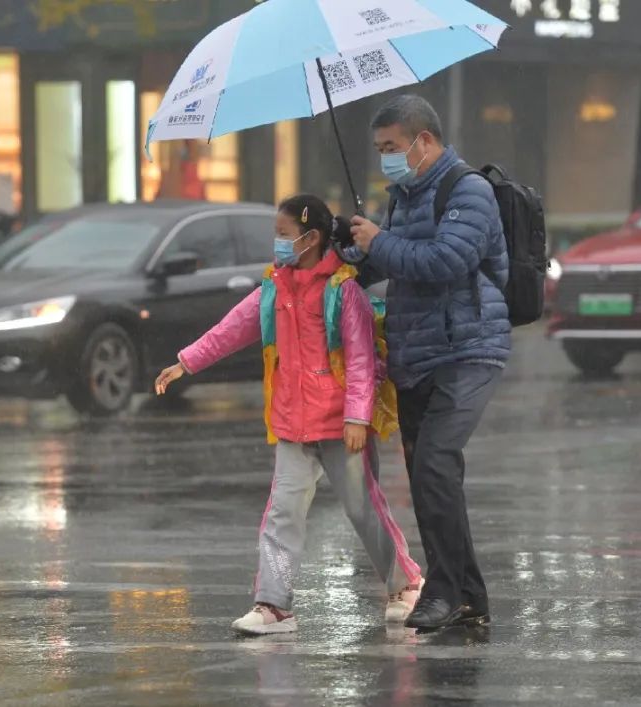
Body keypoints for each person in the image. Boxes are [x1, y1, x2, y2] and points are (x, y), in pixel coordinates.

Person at [155, 194, 423, 636]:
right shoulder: (274, 288)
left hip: (341, 425)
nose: (276, 243)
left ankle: (406, 583)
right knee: (282, 514)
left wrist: (358, 418)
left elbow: (361, 361)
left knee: (363, 510)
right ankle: (274, 605)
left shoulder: (344, 291)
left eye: (283, 235)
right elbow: (230, 329)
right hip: (292, 423)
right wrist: (187, 362)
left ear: (311, 238)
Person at [350, 94, 511, 631]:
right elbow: (382, 260)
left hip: (469, 348)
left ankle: (442, 593)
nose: (386, 158)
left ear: (424, 140)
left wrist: (381, 241)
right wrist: (347, 245)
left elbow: (448, 260)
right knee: (428, 475)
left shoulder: (469, 189)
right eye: (379, 150)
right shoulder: (400, 196)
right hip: (417, 354)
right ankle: (468, 596)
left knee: (436, 461)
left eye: (392, 147)